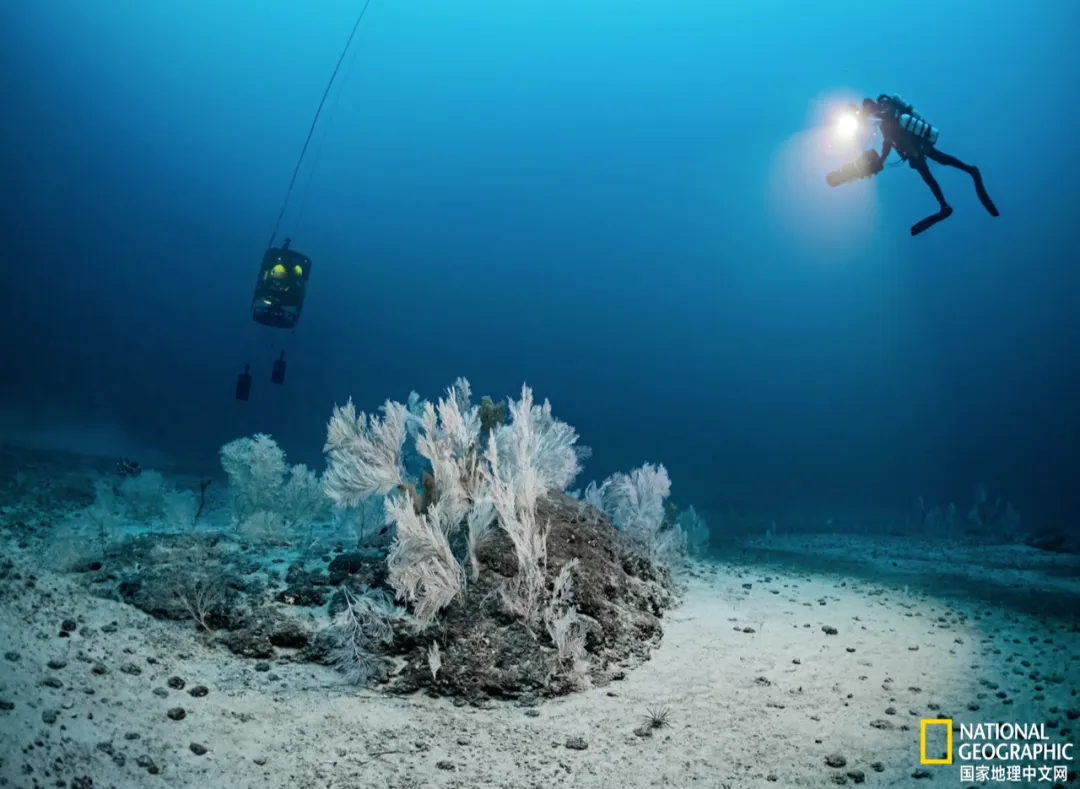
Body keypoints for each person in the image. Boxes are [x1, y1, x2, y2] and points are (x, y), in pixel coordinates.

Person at [861, 94, 999, 236]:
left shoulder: (884, 105)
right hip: (911, 150)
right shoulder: (882, 123)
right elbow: (887, 141)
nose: (870, 112)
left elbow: (888, 135)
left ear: (871, 103)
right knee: (928, 176)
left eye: (868, 108)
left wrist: (881, 159)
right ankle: (944, 204)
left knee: (941, 160)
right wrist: (881, 159)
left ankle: (970, 171)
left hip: (916, 143)